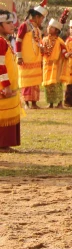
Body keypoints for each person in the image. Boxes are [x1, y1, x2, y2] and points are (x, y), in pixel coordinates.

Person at [15, 0, 47, 109]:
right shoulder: (25, 25)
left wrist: (41, 48)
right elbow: (18, 41)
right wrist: (19, 56)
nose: (42, 21)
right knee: (27, 81)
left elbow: (38, 41)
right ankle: (26, 103)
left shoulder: (37, 28)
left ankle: (34, 102)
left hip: (36, 58)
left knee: (35, 81)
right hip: (26, 58)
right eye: (42, 19)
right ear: (37, 17)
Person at [0, 9, 21, 151]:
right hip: (4, 85)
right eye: (8, 23)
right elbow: (0, 65)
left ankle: (5, 144)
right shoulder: (0, 42)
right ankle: (2, 144)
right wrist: (5, 84)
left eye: (11, 22)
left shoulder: (4, 41)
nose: (12, 26)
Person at [41, 14, 67, 109]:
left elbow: (64, 51)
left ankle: (60, 103)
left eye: (51, 27)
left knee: (57, 84)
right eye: (48, 26)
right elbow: (41, 51)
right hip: (46, 65)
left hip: (56, 66)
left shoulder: (60, 41)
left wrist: (66, 54)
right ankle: (50, 103)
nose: (48, 28)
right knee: (48, 85)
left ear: (57, 31)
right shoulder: (44, 40)